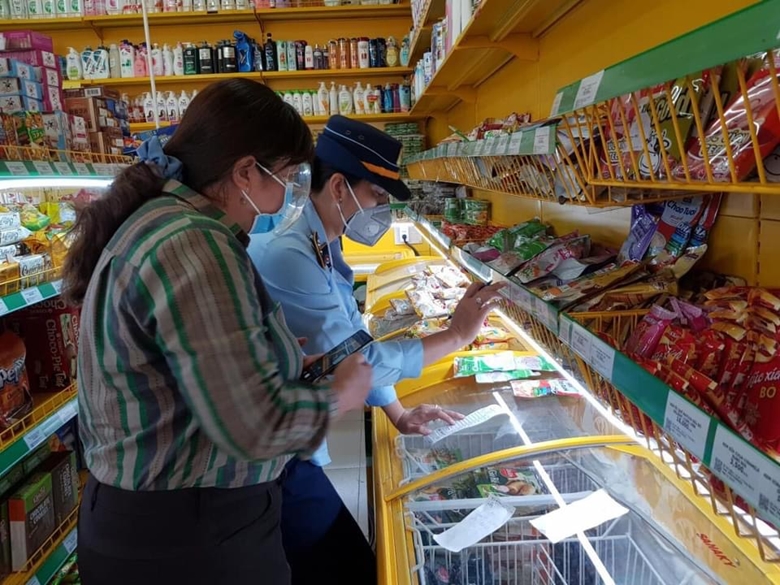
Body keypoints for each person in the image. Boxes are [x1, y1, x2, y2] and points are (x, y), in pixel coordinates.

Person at [63, 81, 372, 585]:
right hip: (187, 539)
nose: (287, 197)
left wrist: (270, 357)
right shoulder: (195, 244)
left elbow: (181, 368)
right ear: (246, 171)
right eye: (288, 176)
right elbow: (256, 428)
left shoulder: (162, 220)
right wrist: (340, 395)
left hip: (157, 527)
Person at [248, 115, 504, 584]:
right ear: (340, 186)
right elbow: (355, 360)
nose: (381, 211)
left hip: (293, 445)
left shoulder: (321, 239)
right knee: (342, 567)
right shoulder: (289, 252)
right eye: (377, 197)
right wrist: (455, 336)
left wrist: (400, 415)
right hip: (273, 456)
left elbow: (349, 336)